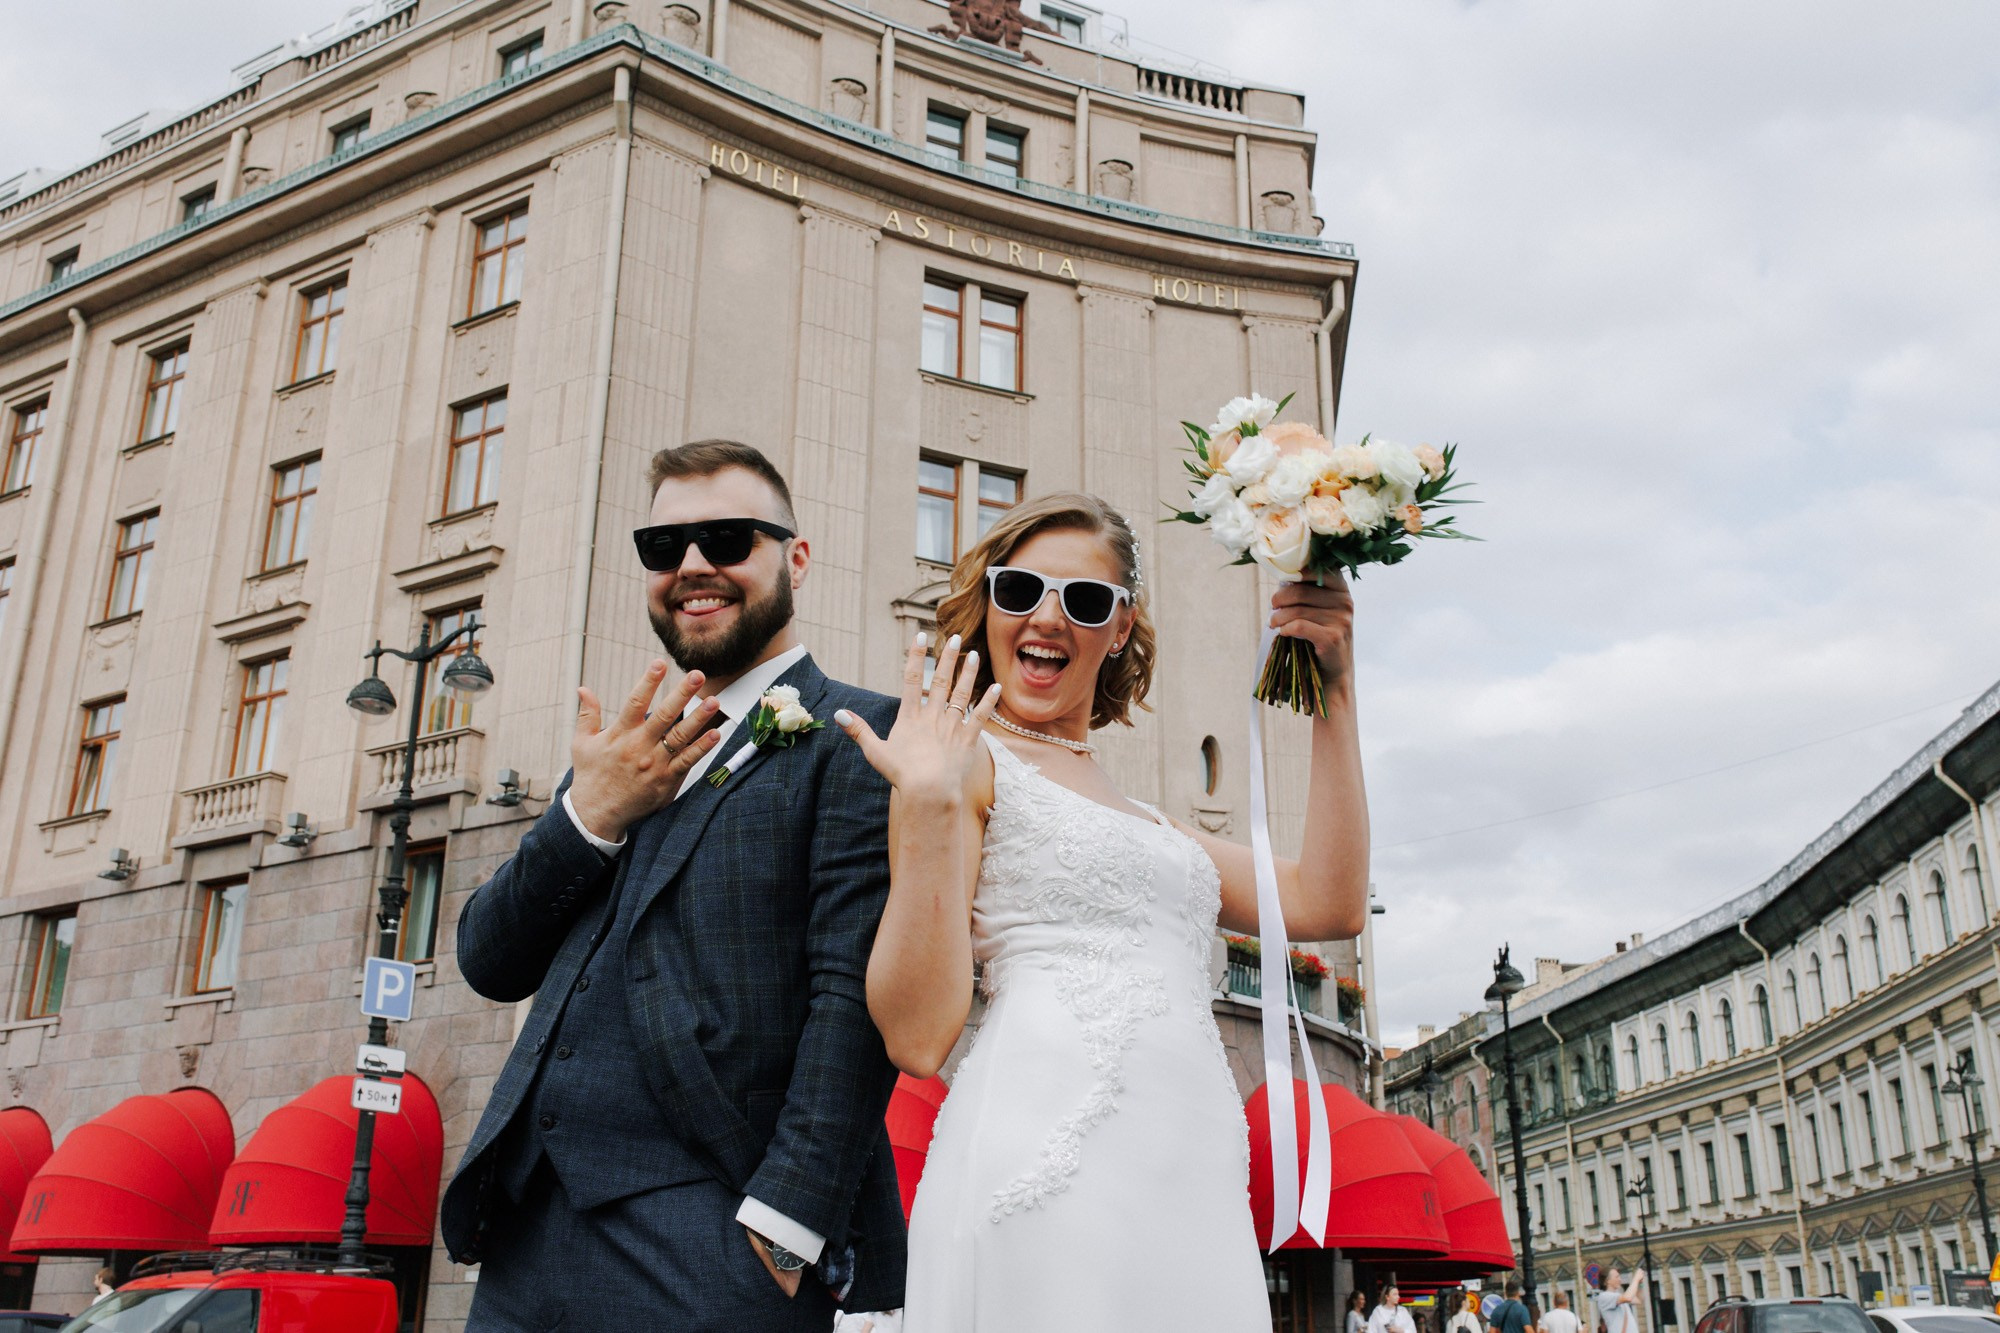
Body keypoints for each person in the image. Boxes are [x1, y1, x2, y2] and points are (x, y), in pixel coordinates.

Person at [836, 492, 1370, 1329]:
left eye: (1083, 601)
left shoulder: (1151, 821)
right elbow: (914, 1035)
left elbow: (1327, 899)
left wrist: (1334, 691)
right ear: (991, 604)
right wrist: (930, 807)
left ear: (1119, 627)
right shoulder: (960, 764)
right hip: (1048, 1159)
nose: (1047, 617)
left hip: (1189, 1177)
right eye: (1020, 591)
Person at [440, 441, 905, 1331]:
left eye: (727, 538)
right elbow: (488, 959)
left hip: (712, 1251)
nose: (693, 566)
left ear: (795, 558)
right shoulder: (621, 748)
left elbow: (853, 995)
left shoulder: (860, 733)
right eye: (665, 546)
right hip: (524, 1246)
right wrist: (589, 816)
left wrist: (783, 1228)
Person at [1592, 1269, 1644, 1333]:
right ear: (1607, 1281)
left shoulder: (1618, 1296)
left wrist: (1640, 1284)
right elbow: (1627, 1298)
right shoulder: (1604, 1297)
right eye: (1617, 1277)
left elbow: (1639, 1300)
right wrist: (1636, 1279)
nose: (1620, 1279)